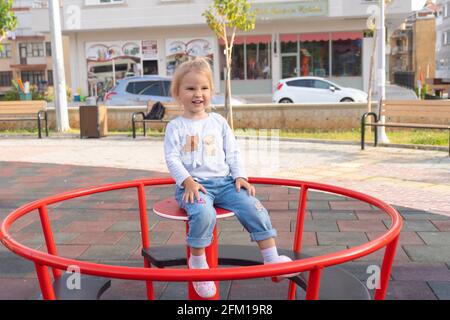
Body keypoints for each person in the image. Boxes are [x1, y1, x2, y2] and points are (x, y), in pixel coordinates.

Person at [164, 58, 297, 299]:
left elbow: (233, 151)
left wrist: (240, 176)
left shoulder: (218, 122)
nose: (198, 94)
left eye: (204, 88)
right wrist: (187, 181)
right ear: (177, 93)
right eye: (191, 88)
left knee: (253, 206)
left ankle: (271, 257)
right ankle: (197, 263)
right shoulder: (176, 126)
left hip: (225, 183)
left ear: (211, 92)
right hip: (194, 187)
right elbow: (172, 159)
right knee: (204, 213)